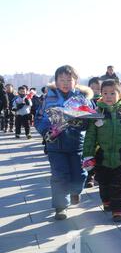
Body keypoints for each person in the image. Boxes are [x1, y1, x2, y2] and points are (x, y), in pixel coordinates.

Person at [35, 65, 93, 220]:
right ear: (56, 81)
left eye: (69, 79)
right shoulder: (49, 98)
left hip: (77, 144)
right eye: (62, 79)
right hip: (55, 144)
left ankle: (75, 191)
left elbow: (91, 117)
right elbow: (39, 118)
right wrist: (46, 131)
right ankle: (61, 207)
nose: (65, 83)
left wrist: (82, 119)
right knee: (59, 176)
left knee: (79, 175)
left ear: (76, 81)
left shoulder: (82, 98)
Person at [82, 80, 121, 222]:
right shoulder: (96, 114)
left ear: (120, 94)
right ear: (101, 94)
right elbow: (90, 136)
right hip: (101, 155)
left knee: (118, 183)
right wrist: (88, 156)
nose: (108, 96)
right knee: (103, 182)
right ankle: (106, 201)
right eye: (105, 93)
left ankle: (117, 210)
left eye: (112, 93)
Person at [84, 77, 102, 188]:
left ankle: (98, 176)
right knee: (89, 154)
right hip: (89, 132)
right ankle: (90, 177)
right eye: (92, 88)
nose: (95, 91)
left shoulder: (105, 100)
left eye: (98, 88)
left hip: (101, 132)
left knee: (99, 154)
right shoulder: (85, 100)